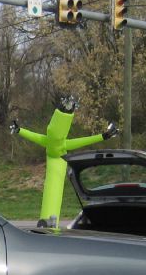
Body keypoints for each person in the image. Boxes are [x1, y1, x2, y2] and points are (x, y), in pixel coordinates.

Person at [10, 95, 119, 228]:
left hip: (57, 164)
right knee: (53, 196)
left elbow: (36, 137)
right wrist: (103, 136)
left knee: (52, 196)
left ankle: (66, 108)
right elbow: (82, 141)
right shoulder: (57, 142)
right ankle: (67, 108)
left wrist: (19, 130)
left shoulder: (53, 141)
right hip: (57, 163)